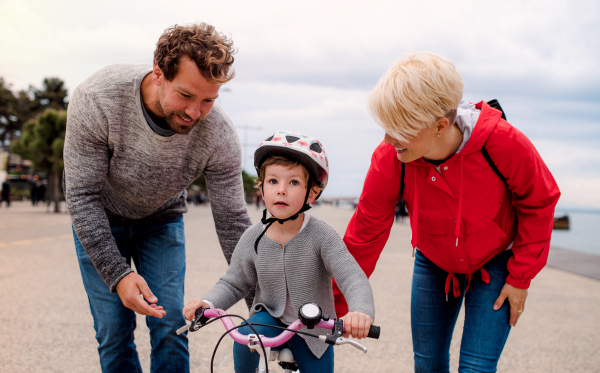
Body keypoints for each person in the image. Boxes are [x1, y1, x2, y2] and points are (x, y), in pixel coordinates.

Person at [333, 52, 560, 372]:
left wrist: (521, 276)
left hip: (496, 259)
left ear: (440, 125)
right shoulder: (391, 157)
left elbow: (539, 200)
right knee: (428, 364)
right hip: (434, 257)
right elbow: (365, 233)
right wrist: (333, 304)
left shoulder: (503, 142)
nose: (386, 139)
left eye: (398, 129)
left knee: (476, 367)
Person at [63, 23, 252, 373]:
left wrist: (260, 301)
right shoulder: (97, 99)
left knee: (170, 326)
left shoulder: (219, 135)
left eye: (208, 100)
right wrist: (118, 275)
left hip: (162, 222)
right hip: (99, 218)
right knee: (114, 333)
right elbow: (81, 196)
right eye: (186, 95)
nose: (195, 112)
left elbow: (233, 223)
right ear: (158, 73)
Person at [183, 131, 375, 373]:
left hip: (314, 327)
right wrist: (208, 303)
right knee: (244, 334)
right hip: (268, 320)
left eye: (294, 182)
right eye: (273, 181)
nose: (281, 190)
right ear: (261, 188)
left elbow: (352, 277)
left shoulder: (322, 235)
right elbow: (233, 282)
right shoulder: (253, 237)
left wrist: (361, 312)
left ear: (312, 193)